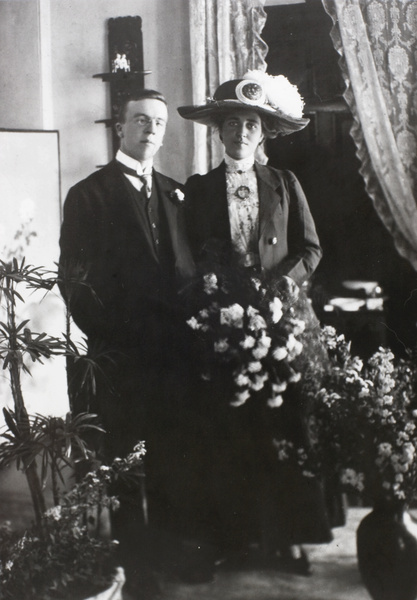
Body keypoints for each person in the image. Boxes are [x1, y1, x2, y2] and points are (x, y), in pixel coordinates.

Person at [177, 71, 341, 575]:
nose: (241, 132)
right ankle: (233, 538)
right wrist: (217, 300)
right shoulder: (200, 189)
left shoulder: (283, 184)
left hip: (282, 323)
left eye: (250, 124)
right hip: (224, 323)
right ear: (218, 131)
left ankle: (291, 538)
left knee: (285, 427)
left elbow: (310, 248)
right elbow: (188, 259)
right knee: (229, 431)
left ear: (263, 131)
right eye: (232, 123)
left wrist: (280, 288)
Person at [58, 89, 196, 593]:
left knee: (169, 458)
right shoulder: (89, 194)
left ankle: (162, 557)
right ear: (121, 127)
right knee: (123, 463)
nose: (151, 129)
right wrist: (114, 337)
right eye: (141, 120)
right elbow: (73, 281)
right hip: (121, 357)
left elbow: (189, 273)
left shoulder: (178, 194)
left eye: (158, 122)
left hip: (174, 357)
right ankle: (134, 569)